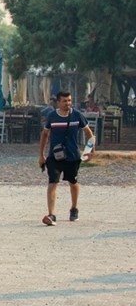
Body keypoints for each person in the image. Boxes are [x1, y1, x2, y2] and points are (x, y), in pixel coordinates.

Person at [38, 91, 94, 225]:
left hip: (72, 156)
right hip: (55, 156)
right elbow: (45, 135)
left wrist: (91, 151)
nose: (67, 103)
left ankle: (74, 208)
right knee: (52, 182)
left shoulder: (77, 115)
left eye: (69, 100)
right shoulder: (52, 116)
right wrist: (41, 155)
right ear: (58, 102)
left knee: (73, 182)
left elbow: (89, 133)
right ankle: (52, 214)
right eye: (64, 101)